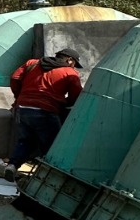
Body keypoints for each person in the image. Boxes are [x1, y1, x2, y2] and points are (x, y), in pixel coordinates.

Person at [5, 49, 83, 178]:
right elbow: (76, 95)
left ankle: (12, 166)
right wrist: (64, 104)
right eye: (74, 63)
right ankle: (43, 177)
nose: (74, 66)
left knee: (26, 140)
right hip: (47, 111)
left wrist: (20, 96)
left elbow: (15, 78)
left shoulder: (32, 63)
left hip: (23, 108)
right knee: (51, 146)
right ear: (70, 60)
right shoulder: (70, 72)